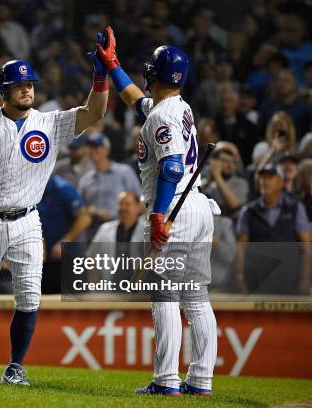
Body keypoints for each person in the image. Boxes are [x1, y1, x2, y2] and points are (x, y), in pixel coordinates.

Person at [0, 26, 112, 385]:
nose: (26, 89)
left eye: (30, 84)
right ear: (4, 91)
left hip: (27, 221)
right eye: (19, 85)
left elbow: (93, 113)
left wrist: (101, 76)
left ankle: (15, 367)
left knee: (30, 295)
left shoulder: (49, 124)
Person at [108, 28, 217, 395]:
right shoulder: (176, 106)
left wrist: (157, 217)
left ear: (155, 73)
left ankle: (166, 379)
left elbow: (170, 167)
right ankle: (200, 380)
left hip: (173, 210)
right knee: (196, 298)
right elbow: (136, 101)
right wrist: (112, 66)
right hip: (198, 206)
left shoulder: (162, 117)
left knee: (166, 296)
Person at [235, 163, 310, 295]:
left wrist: (304, 279)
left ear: (281, 182)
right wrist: (240, 277)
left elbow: (306, 245)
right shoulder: (248, 211)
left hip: (289, 277)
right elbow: (241, 247)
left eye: (270, 177)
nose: (265, 181)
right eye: (262, 178)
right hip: (258, 278)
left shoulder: (295, 208)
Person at [78, 132, 141, 241]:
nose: (93, 151)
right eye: (90, 147)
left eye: (97, 147)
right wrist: (91, 211)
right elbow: (79, 209)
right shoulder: (85, 179)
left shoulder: (124, 172)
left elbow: (139, 202)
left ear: (107, 150)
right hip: (94, 234)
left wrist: (114, 214)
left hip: (122, 231)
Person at [37, 174, 91, 293]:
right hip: (46, 261)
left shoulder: (62, 188)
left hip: (69, 258)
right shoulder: (32, 189)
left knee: (73, 304)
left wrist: (64, 241)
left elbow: (85, 218)